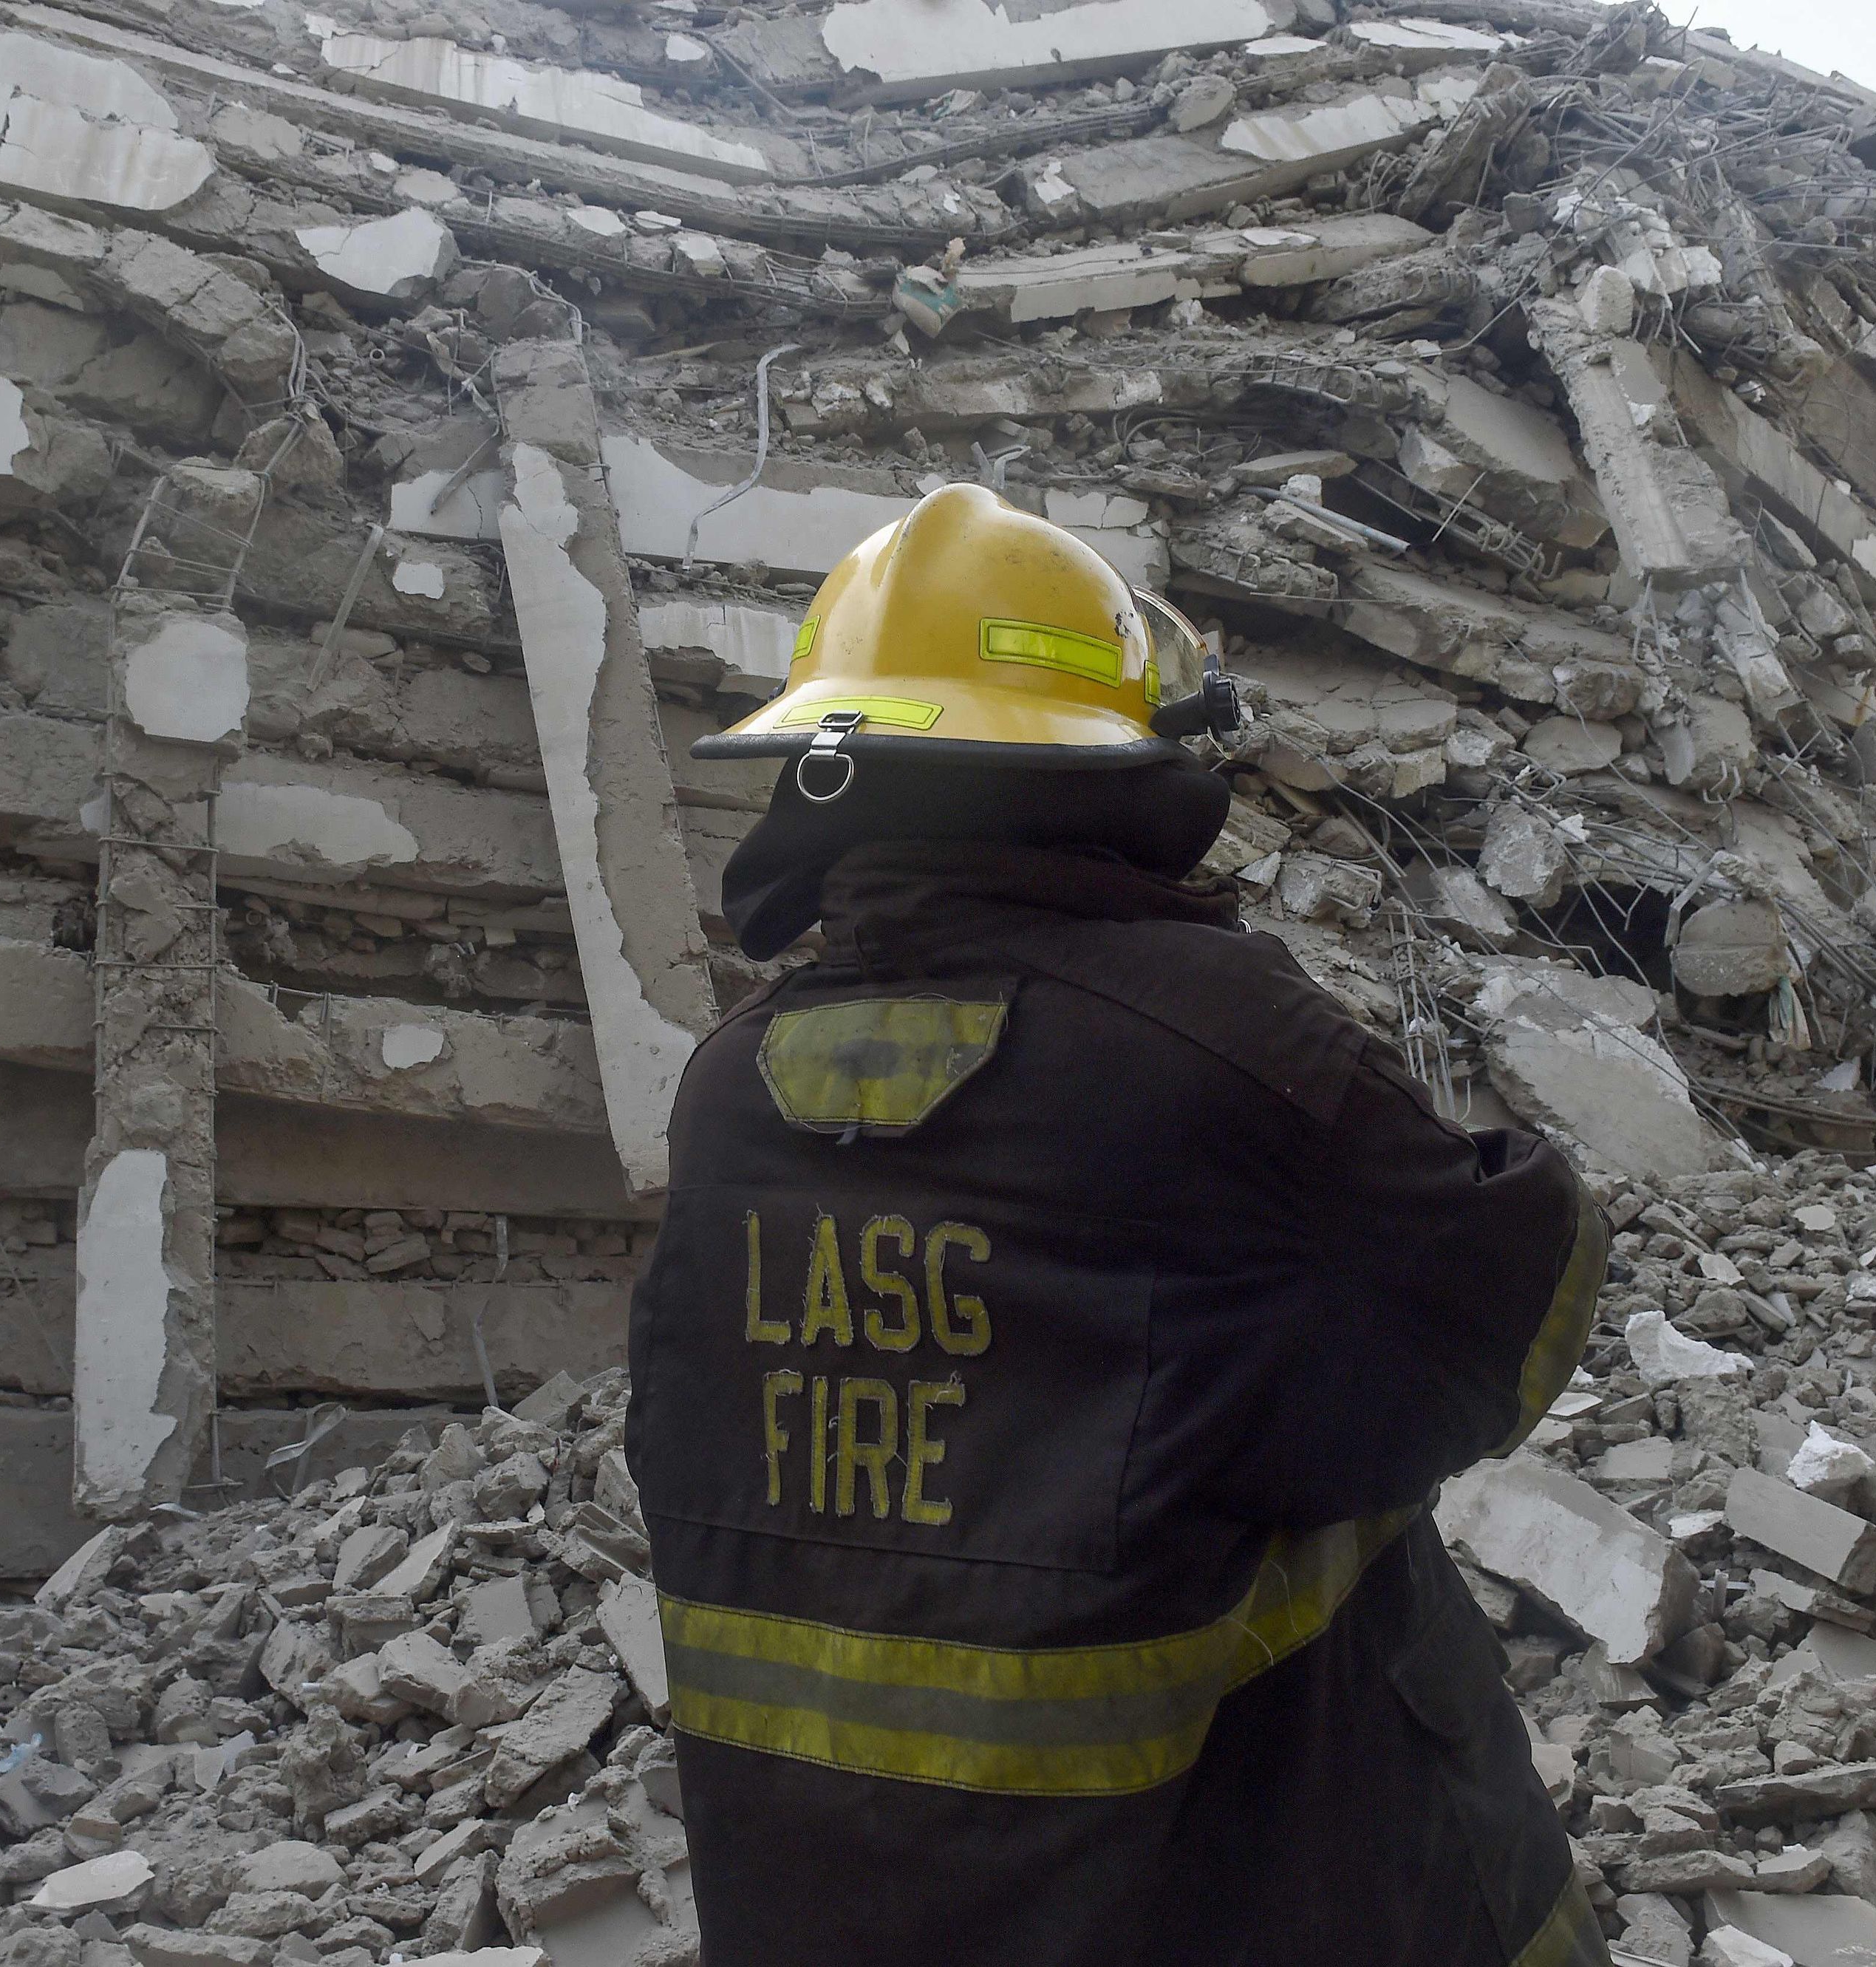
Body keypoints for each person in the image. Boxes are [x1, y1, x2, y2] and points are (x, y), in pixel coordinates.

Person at [622, 483, 1611, 1965]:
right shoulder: (1222, 1048)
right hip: (1252, 1886)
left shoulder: (727, 1095)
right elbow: (1516, 1302)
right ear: (1105, 761)